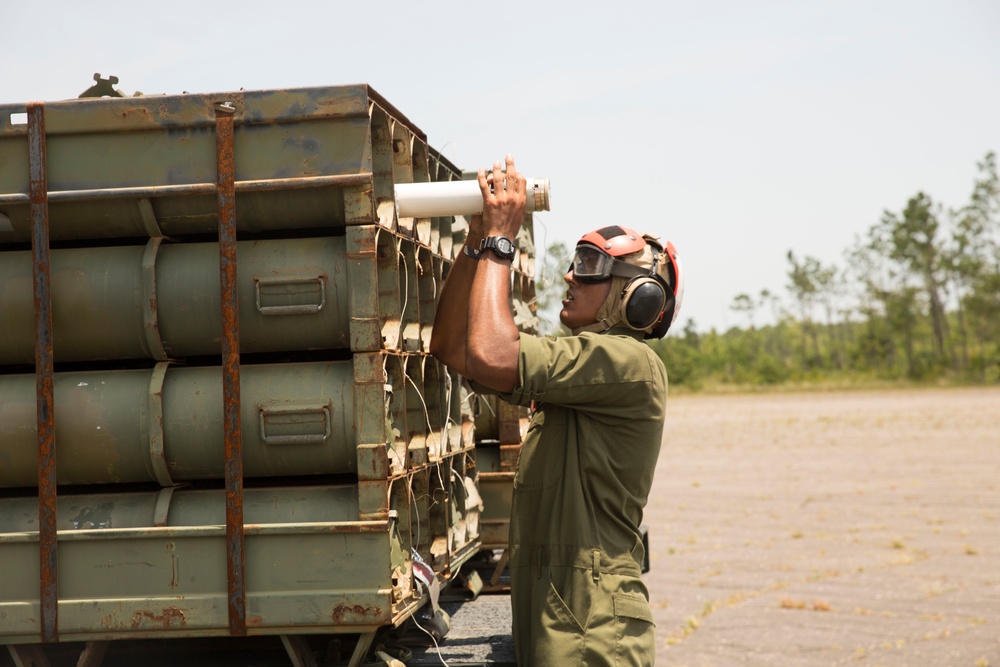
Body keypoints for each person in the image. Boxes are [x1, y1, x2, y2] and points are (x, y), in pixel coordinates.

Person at [430, 155, 683, 666]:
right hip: (562, 615)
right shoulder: (583, 376)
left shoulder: (628, 362)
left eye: (589, 267)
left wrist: (501, 241)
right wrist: (476, 241)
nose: (570, 275)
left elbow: (492, 354)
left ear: (635, 297)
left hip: (592, 625)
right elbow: (453, 347)